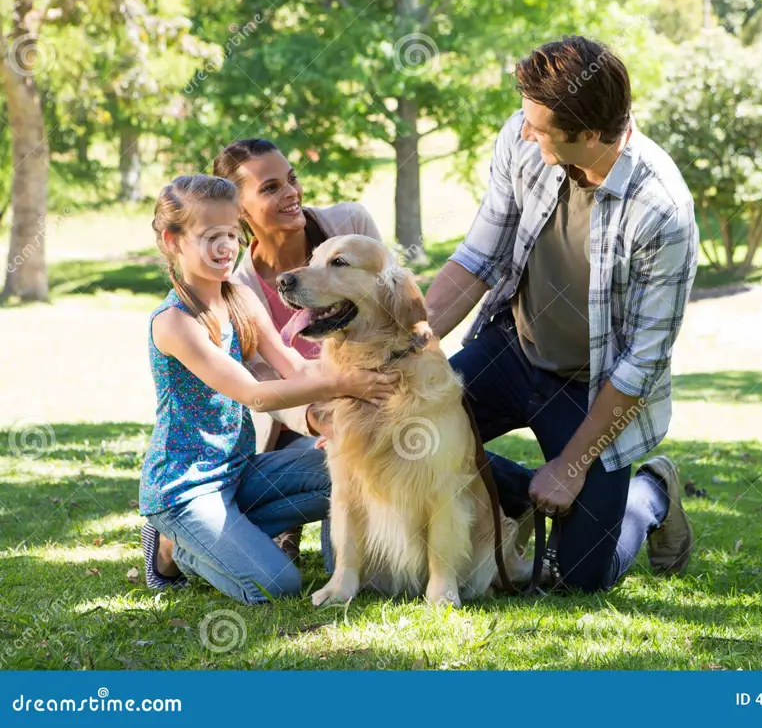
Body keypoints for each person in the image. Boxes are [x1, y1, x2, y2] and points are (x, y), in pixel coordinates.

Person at [425, 36, 699, 593]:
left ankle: (650, 490)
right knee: (414, 430)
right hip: (513, 350)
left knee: (575, 578)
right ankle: (531, 487)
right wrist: (404, 348)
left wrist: (573, 466)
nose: (524, 131)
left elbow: (642, 364)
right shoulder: (523, 139)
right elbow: (479, 257)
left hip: (593, 389)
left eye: (539, 127)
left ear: (591, 134)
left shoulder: (662, 211)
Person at [138, 174, 398, 604]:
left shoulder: (240, 297)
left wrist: (336, 409)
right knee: (276, 585)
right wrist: (344, 382)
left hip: (238, 471)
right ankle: (175, 546)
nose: (225, 247)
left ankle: (224, 534)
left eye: (231, 234)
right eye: (210, 236)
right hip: (185, 488)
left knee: (350, 475)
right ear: (172, 240)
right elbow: (254, 395)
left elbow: (293, 365)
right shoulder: (175, 323)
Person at [213, 139, 383, 561]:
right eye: (270, 188)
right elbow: (262, 381)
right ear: (238, 211)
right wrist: (319, 418)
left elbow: (386, 310)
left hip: (376, 401)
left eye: (291, 180)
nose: (291, 193)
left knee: (365, 570)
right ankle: (279, 524)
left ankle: (514, 499)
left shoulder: (351, 224)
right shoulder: (238, 289)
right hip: (301, 429)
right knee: (342, 547)